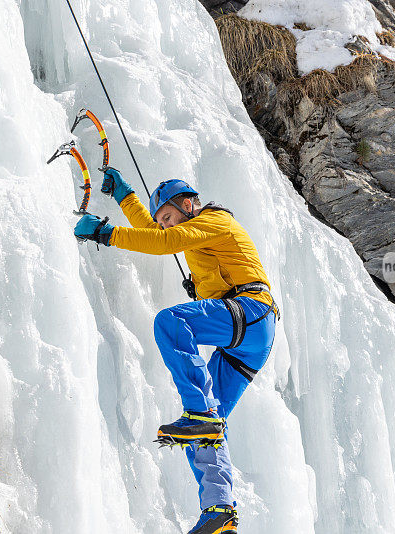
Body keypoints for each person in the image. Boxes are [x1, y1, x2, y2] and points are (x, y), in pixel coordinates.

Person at [74, 168, 278, 534]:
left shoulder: (214, 219)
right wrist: (125, 197)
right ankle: (220, 511)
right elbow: (158, 233)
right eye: (162, 220)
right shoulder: (190, 232)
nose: (165, 225)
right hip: (249, 341)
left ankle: (199, 413)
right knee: (205, 433)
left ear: (188, 204)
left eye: (168, 216)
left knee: (170, 323)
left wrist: (106, 233)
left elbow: (164, 241)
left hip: (251, 311)